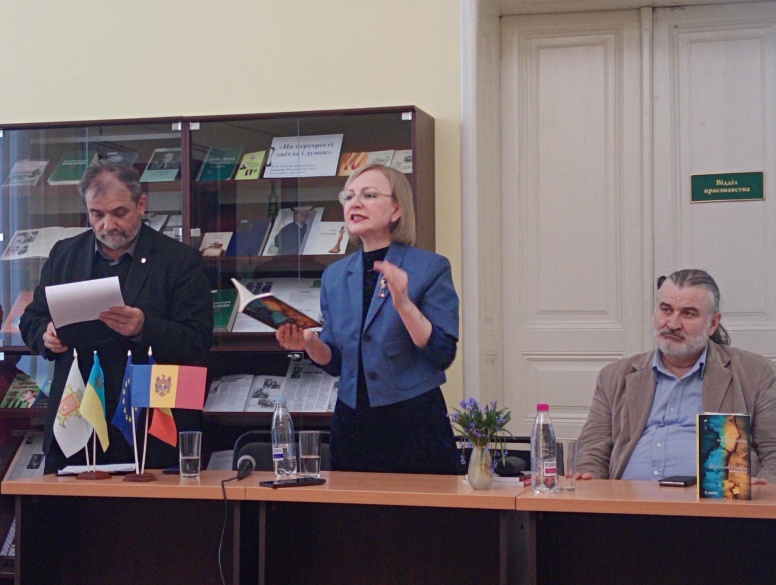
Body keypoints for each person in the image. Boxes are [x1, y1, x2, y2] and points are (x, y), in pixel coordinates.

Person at [20, 160, 213, 473]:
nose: (108, 225)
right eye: (97, 214)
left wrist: (144, 328)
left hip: (150, 420)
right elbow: (32, 318)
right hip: (78, 417)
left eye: (119, 213)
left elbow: (198, 340)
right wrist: (45, 333)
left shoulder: (179, 260)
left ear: (141, 205)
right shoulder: (65, 254)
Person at [276, 163, 460, 474]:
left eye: (369, 195)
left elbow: (443, 353)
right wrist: (309, 343)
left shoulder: (430, 268)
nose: (355, 203)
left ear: (396, 210)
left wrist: (404, 304)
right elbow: (336, 361)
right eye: (349, 197)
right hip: (352, 426)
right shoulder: (334, 276)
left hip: (413, 425)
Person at [577, 269, 776, 482]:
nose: (672, 324)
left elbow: (773, 451)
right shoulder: (615, 376)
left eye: (688, 314)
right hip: (627, 500)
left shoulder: (755, 373)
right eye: (666, 310)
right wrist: (589, 480)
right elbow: (593, 449)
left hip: (715, 500)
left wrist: (762, 489)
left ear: (713, 323)